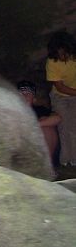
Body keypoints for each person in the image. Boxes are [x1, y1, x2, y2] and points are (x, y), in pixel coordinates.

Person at [46, 31, 76, 166]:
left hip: (74, 96)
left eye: (65, 52)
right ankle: (65, 160)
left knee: (73, 126)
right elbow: (60, 87)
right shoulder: (52, 62)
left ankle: (74, 159)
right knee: (64, 126)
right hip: (60, 96)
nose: (63, 56)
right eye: (60, 53)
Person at [17, 80, 61, 165]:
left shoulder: (40, 110)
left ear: (34, 99)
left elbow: (57, 118)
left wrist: (34, 125)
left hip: (40, 149)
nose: (24, 96)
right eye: (21, 93)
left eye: (28, 94)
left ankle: (46, 165)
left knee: (46, 125)